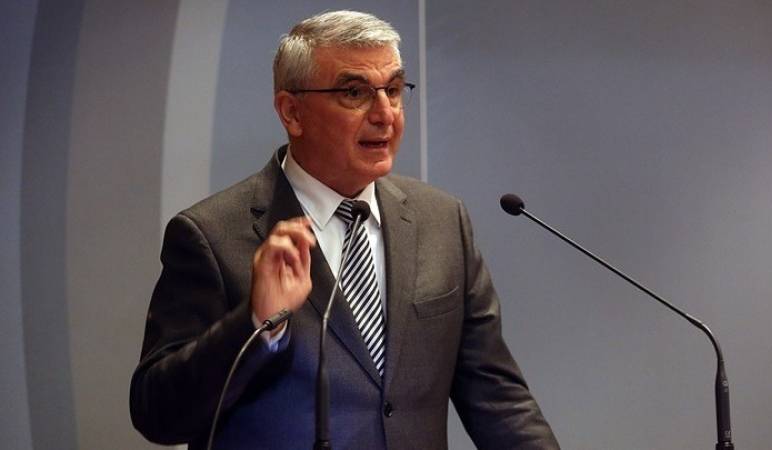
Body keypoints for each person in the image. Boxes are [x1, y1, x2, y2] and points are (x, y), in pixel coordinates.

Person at [130, 10, 559, 450]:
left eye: (394, 90)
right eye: (355, 93)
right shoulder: (211, 235)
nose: (385, 114)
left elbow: (498, 400)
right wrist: (255, 322)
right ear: (292, 112)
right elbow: (158, 414)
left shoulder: (442, 222)